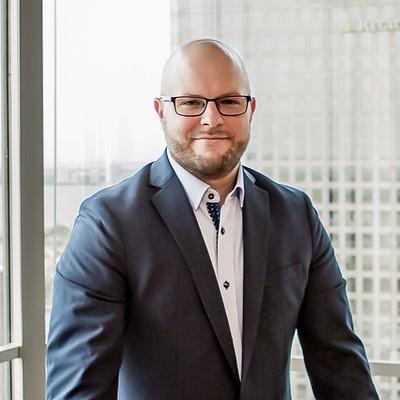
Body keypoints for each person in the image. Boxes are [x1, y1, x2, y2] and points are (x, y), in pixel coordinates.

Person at [46, 39, 379, 399]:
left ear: (250, 110)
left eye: (229, 102)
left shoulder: (296, 215)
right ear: (161, 111)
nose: (212, 119)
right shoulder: (107, 224)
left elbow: (340, 365)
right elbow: (79, 390)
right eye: (191, 102)